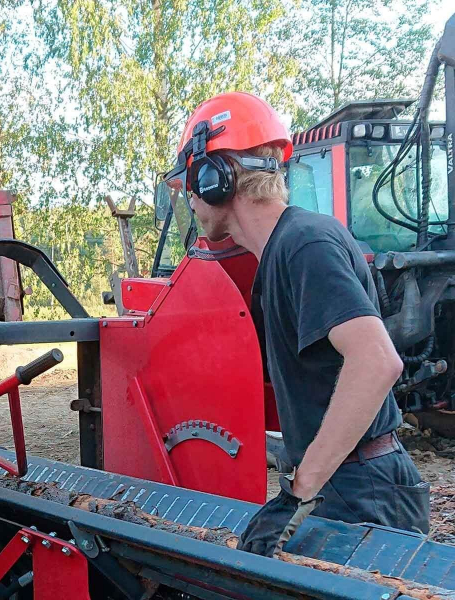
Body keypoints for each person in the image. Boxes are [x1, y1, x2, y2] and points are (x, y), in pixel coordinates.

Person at [162, 92, 430, 557]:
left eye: (192, 180)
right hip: (344, 480)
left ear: (216, 178)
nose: (190, 196)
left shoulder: (303, 244)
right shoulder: (282, 252)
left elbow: (376, 361)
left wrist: (299, 490)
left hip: (363, 489)